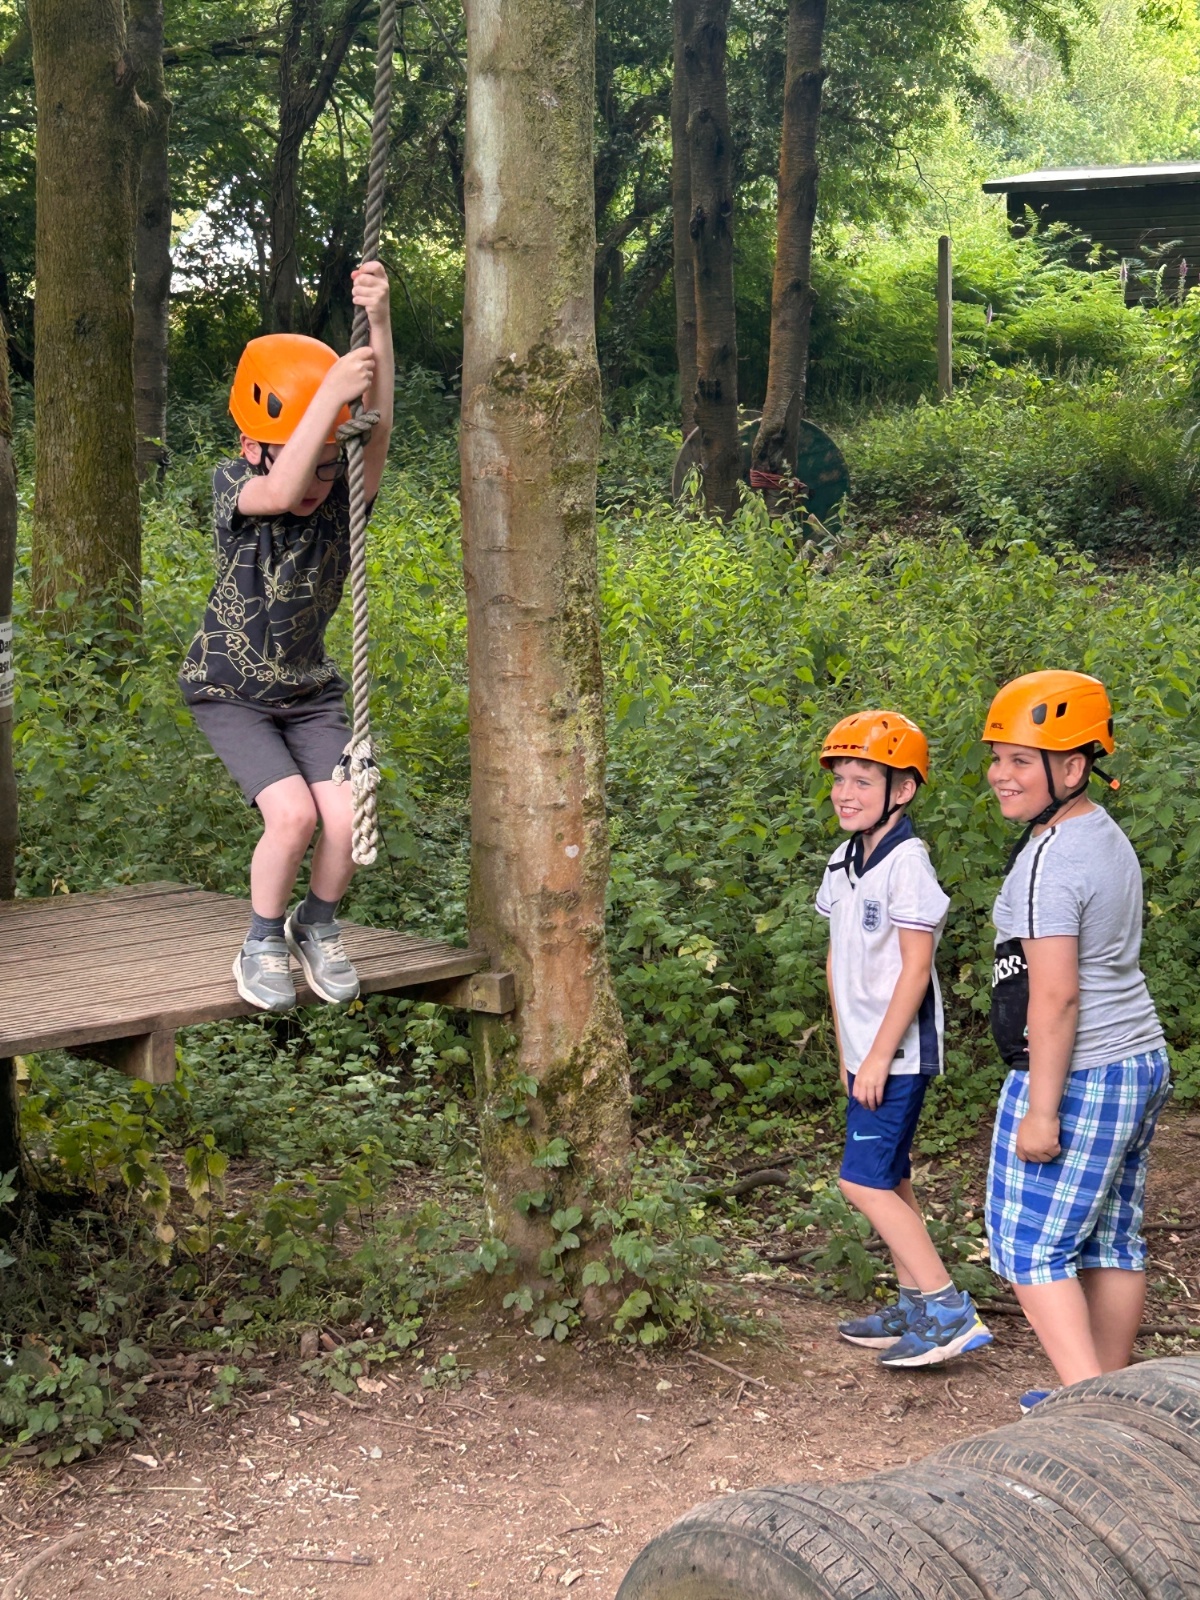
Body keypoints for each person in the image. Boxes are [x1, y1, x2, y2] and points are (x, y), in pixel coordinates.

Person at [180, 262, 394, 1012]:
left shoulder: (339, 505)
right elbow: (280, 486)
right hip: (230, 692)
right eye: (310, 462)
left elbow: (377, 427)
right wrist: (328, 396)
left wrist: (379, 324)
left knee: (347, 812)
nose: (317, 483)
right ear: (252, 445)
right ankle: (261, 940)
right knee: (294, 816)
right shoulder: (238, 490)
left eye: (332, 468)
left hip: (308, 694)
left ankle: (317, 924)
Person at [982, 670, 1169, 1412]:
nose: (1002, 774)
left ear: (1073, 767)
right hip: (1137, 1058)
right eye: (998, 757)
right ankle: (1110, 1401)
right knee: (1111, 1241)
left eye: (1021, 760)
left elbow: (1056, 993)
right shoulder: (1101, 833)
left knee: (1030, 1247)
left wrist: (1041, 1110)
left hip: (1080, 1068)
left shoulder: (1051, 857)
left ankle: (1088, 1416)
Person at [816, 710, 993, 1368]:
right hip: (864, 1053)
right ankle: (916, 1301)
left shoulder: (908, 863)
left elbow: (917, 969)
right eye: (840, 779)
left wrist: (879, 1057)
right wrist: (848, 1050)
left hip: (898, 1054)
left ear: (904, 789)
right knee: (889, 1179)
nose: (845, 793)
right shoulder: (844, 860)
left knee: (861, 1184)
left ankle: (948, 1310)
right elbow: (835, 959)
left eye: (863, 781)